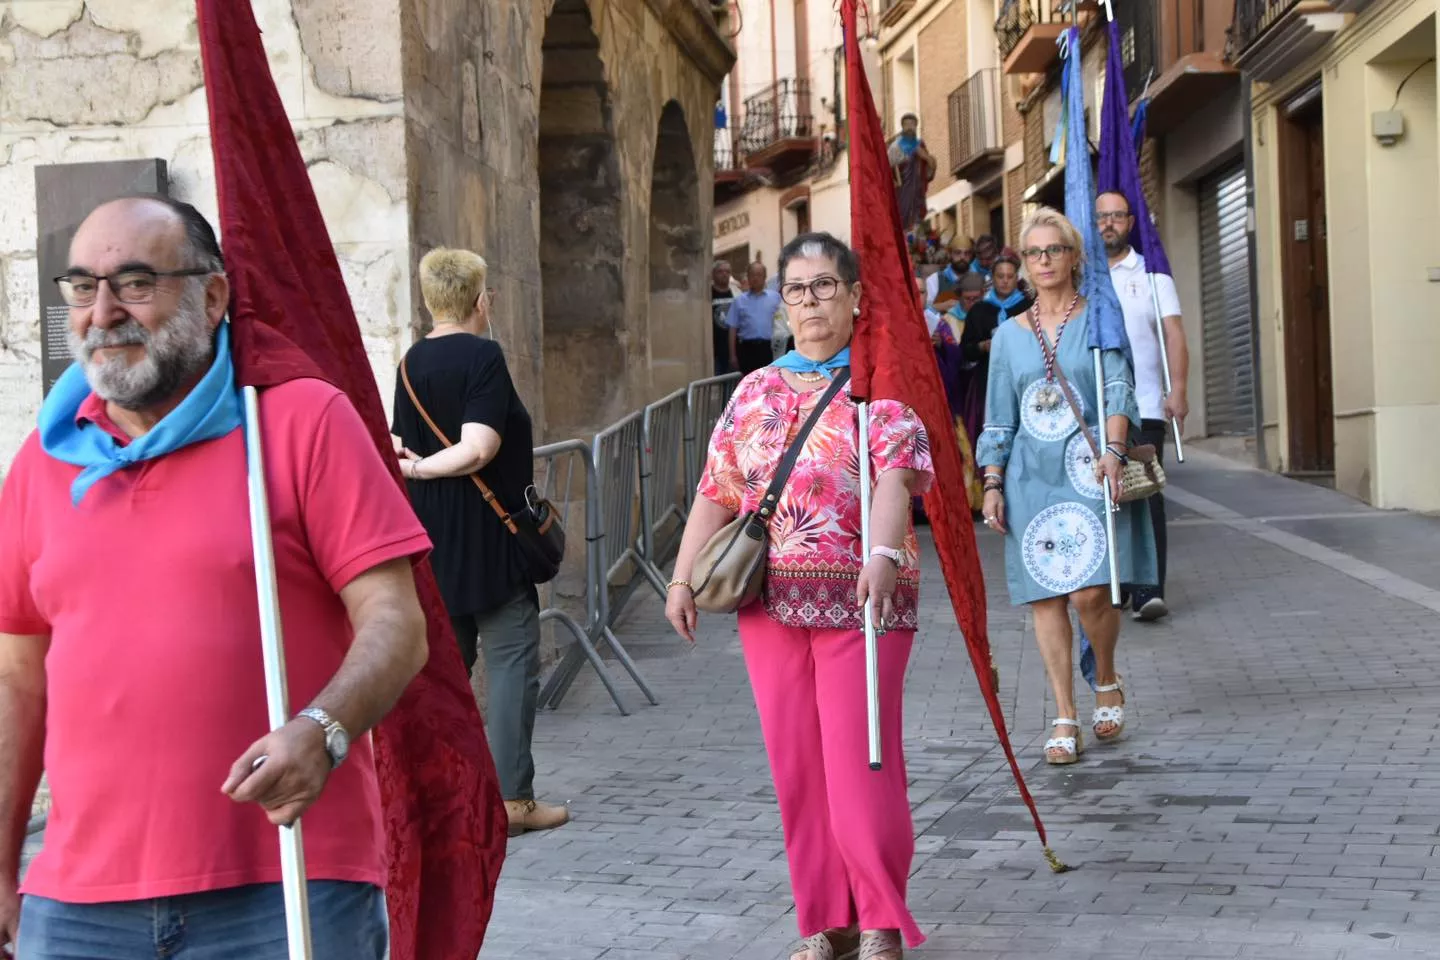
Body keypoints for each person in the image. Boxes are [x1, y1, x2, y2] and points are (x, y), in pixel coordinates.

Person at [0, 196, 431, 958]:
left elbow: (396, 623)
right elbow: (17, 682)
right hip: (79, 906)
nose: (101, 313)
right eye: (81, 288)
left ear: (214, 295)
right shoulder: (44, 460)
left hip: (288, 882)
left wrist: (323, 731)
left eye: (135, 283)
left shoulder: (300, 422)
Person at [666, 232, 932, 960]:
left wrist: (881, 553)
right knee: (799, 768)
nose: (810, 301)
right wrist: (684, 575)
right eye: (796, 289)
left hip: (864, 604)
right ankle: (827, 921)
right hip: (768, 604)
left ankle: (880, 919)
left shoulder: (881, 382)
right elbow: (717, 489)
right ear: (780, 302)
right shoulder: (754, 390)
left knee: (861, 763)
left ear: (854, 296)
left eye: (823, 286)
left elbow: (895, 480)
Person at [390, 248, 569, 838]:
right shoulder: (484, 355)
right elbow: (479, 447)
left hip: (434, 539)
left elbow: (397, 444)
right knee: (514, 665)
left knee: (444, 672)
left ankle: (433, 797)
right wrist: (422, 471)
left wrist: (415, 472)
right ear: (478, 300)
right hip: (491, 541)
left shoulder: (410, 362)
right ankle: (513, 801)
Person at [976, 207, 1157, 765]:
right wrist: (991, 481)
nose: (1044, 260)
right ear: (1023, 265)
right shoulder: (1008, 336)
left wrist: (1115, 449)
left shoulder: (1101, 315)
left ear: (1075, 257)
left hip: (1089, 470)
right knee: (1046, 596)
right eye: (1034, 253)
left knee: (1089, 593)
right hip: (1033, 477)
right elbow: (998, 415)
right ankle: (1063, 713)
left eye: (1054, 250)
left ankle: (1105, 673)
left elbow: (1120, 387)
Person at [1098, 190, 1187, 622]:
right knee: (1103, 496)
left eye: (1117, 216)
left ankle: (1150, 589)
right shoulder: (1083, 278)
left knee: (1146, 493)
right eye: (1101, 217)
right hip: (1095, 410)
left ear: (1131, 223)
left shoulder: (1154, 276)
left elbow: (1174, 335)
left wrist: (1180, 389)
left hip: (1146, 404)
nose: (1108, 224)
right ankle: (1113, 585)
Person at [932, 272, 988, 513]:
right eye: (967, 299)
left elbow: (955, 353)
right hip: (955, 389)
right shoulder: (947, 320)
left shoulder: (986, 313)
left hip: (971, 386)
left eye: (977, 299)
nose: (971, 304)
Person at [960, 247, 1033, 400]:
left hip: (1023, 379)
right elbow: (965, 350)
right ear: (992, 278)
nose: (1005, 281)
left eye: (1010, 276)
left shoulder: (1028, 307)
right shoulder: (979, 310)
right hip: (986, 383)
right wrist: (982, 346)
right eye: (1000, 276)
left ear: (1016, 278)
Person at [726, 261, 784, 375]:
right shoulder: (739, 301)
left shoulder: (775, 298)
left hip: (768, 348)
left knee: (767, 382)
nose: (755, 278)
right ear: (748, 277)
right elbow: (732, 329)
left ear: (764, 277)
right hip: (746, 349)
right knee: (748, 384)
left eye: (759, 274)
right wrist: (733, 356)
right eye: (752, 275)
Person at [888, 113, 935, 231]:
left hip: (917, 188)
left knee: (917, 215)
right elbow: (889, 167)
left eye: (912, 124)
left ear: (916, 127)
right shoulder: (896, 146)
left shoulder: (920, 144)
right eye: (906, 124)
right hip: (902, 188)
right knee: (902, 214)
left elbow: (930, 167)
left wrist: (928, 159)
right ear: (902, 127)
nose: (909, 127)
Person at [710, 259, 742, 376]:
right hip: (714, 349)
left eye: (727, 272)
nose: (724, 274)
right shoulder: (707, 293)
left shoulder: (737, 293)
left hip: (733, 349)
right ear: (713, 274)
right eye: (720, 271)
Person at [924, 235, 974, 309]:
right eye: (958, 252)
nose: (962, 257)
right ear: (950, 254)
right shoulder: (935, 279)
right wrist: (942, 306)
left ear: (971, 256)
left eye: (966, 253)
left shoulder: (980, 279)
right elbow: (924, 310)